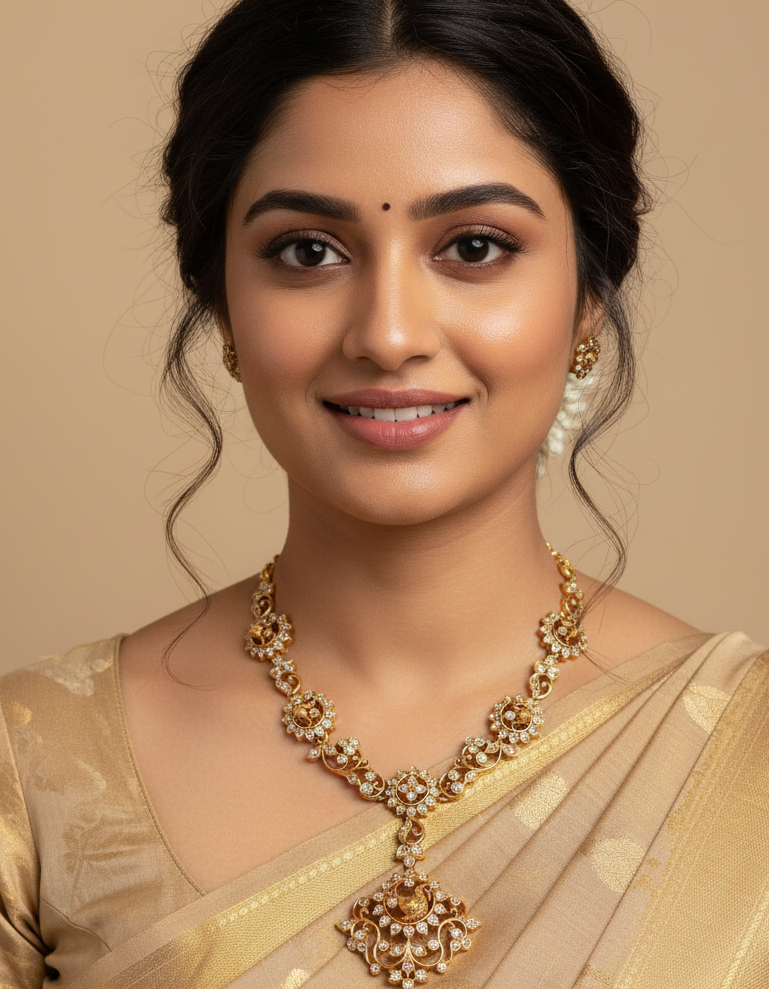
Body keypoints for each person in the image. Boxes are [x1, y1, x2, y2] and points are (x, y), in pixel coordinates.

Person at [0, 1, 766, 987]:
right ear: (220, 301)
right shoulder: (38, 771)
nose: (388, 333)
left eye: (474, 247)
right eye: (308, 251)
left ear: (586, 295)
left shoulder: (743, 759)